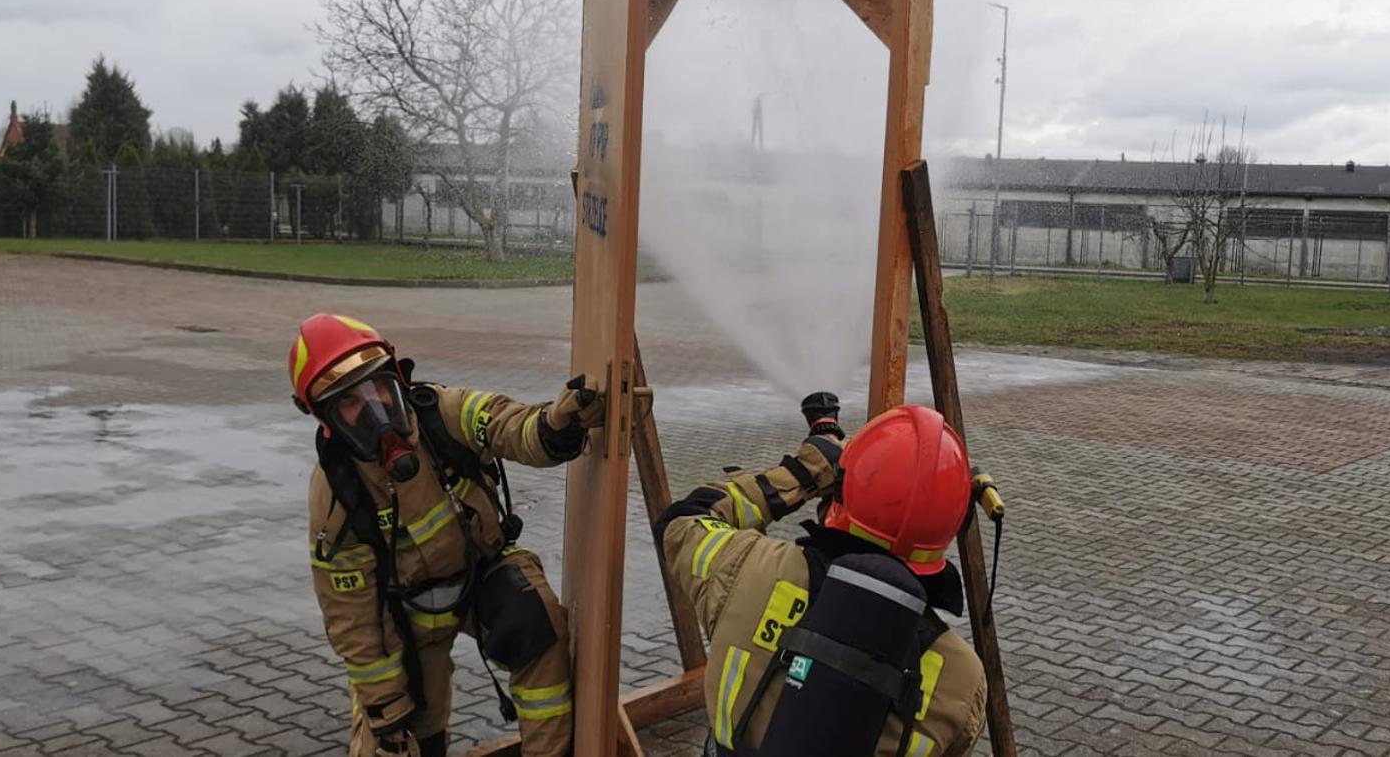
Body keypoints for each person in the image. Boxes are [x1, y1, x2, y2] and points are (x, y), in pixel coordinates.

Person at [288, 313, 603, 757]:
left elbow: (506, 424)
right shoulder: (336, 494)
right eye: (351, 403)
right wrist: (385, 705)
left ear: (396, 377)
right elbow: (351, 617)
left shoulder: (440, 413)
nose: (375, 409)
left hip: (480, 577)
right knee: (402, 739)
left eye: (379, 387)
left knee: (536, 622)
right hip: (406, 618)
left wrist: (554, 427)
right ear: (325, 418)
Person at [657, 399, 990, 757]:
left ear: (842, 489)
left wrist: (807, 470)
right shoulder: (962, 677)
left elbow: (683, 520)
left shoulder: (747, 567)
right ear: (956, 521)